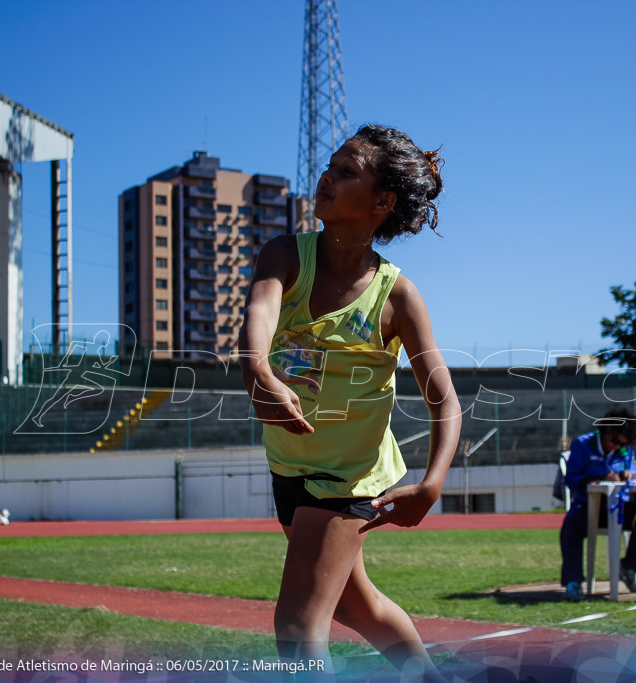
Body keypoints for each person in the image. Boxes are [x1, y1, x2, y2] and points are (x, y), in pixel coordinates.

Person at [238, 124, 462, 680]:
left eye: (346, 171)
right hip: (290, 468)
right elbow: (258, 321)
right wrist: (258, 368)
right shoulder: (286, 254)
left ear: (382, 202)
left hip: (349, 480)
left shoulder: (398, 297)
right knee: (358, 607)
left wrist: (432, 483)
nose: (326, 178)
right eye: (329, 166)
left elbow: (445, 398)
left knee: (297, 626)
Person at [559, 407, 636, 600]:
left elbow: (630, 471)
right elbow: (570, 479)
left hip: (618, 507)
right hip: (589, 507)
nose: (617, 447)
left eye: (623, 444)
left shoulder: (625, 450)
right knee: (571, 525)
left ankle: (629, 568)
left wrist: (627, 475)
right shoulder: (583, 444)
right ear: (606, 430)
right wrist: (597, 478)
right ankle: (573, 582)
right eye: (615, 441)